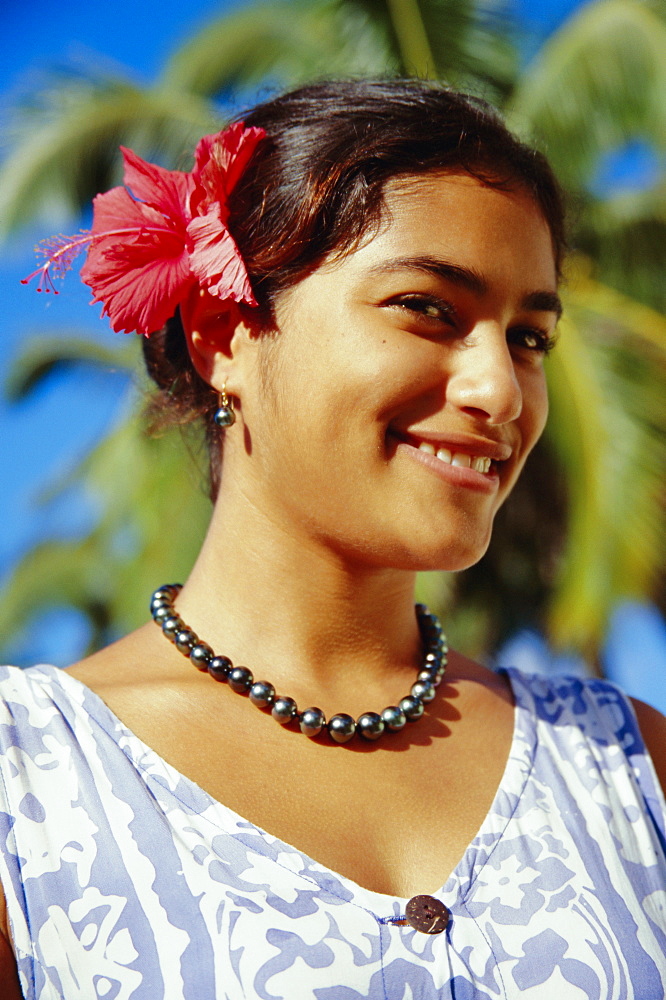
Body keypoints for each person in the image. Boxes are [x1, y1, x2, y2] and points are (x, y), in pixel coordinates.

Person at [1, 79, 665, 999]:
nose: (501, 392)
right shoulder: (26, 780)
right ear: (223, 331)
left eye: (529, 338)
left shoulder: (628, 766)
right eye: (427, 307)